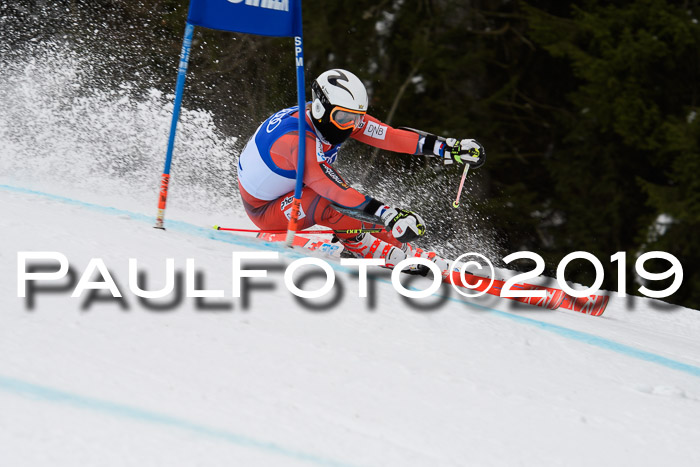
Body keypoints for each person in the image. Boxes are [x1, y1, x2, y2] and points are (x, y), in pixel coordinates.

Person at [237, 69, 485, 276]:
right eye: (345, 118)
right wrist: (387, 214)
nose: (352, 126)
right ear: (322, 108)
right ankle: (357, 245)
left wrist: (448, 148)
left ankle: (398, 246)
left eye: (358, 118)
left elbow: (391, 136)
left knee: (353, 198)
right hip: (266, 209)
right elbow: (329, 189)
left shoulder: (332, 117)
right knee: (333, 198)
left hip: (296, 189)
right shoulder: (297, 139)